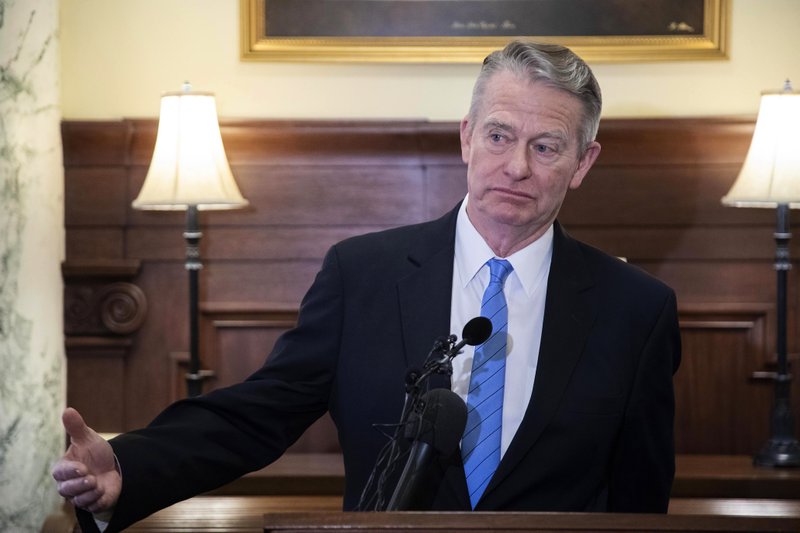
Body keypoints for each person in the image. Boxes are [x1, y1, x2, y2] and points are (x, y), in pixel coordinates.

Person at [52, 40, 681, 531]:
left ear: (583, 163)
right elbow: (257, 416)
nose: (516, 166)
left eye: (547, 147)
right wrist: (129, 465)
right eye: (498, 136)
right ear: (466, 136)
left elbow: (640, 498)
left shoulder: (636, 310)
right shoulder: (363, 275)